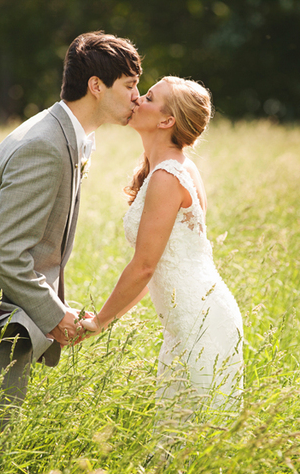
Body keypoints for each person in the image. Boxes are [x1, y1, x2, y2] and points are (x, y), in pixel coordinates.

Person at [0, 31, 142, 426]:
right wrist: (54, 315)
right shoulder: (45, 146)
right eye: (131, 86)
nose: (138, 96)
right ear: (96, 87)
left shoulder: (74, 137)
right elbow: (3, 250)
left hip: (2, 322)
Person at [80, 76, 244, 420]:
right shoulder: (170, 169)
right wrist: (106, 318)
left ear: (167, 120)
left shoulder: (169, 176)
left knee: (203, 440)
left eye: (150, 97)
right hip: (186, 322)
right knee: (176, 441)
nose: (138, 99)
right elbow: (155, 270)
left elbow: (144, 267)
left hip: (202, 320)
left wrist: (99, 322)